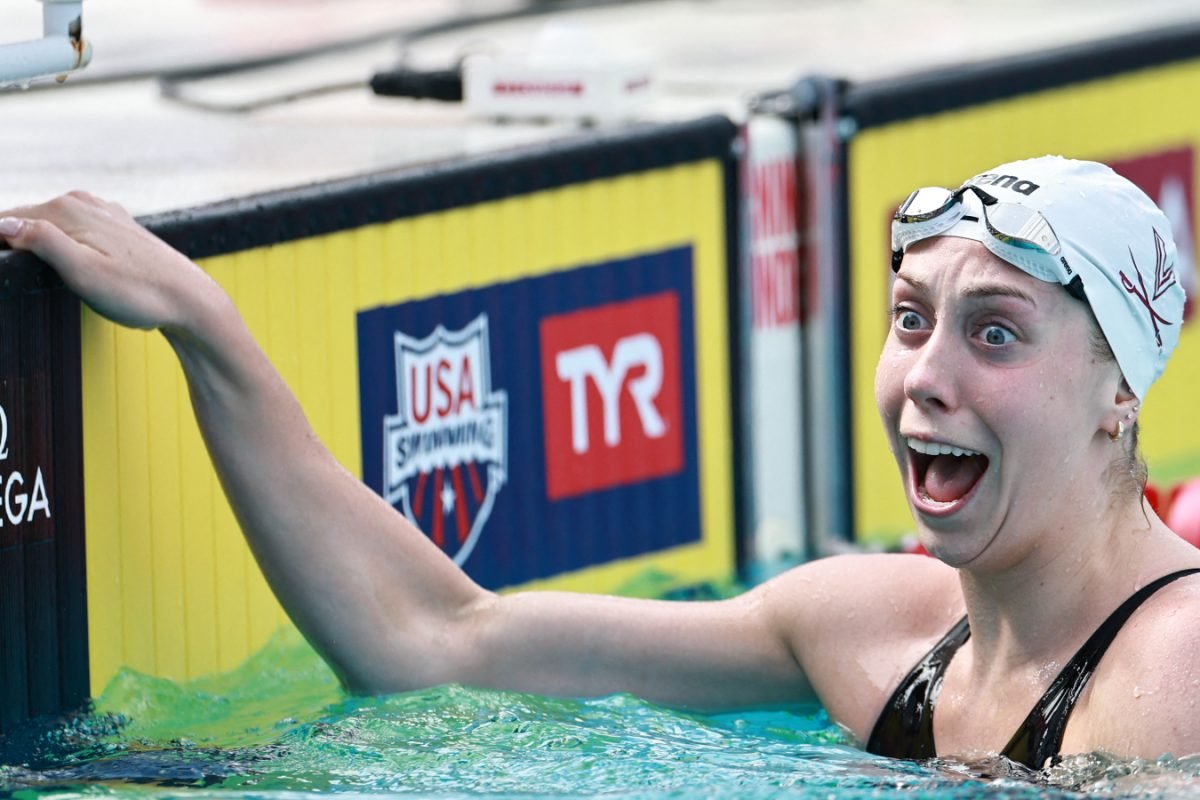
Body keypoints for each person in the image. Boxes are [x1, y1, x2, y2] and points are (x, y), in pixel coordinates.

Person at [0, 155, 1197, 770]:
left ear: (1117, 393)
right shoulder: (870, 627)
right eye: (910, 317)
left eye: (996, 331)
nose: (928, 372)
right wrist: (206, 329)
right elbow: (432, 640)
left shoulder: (1175, 668)